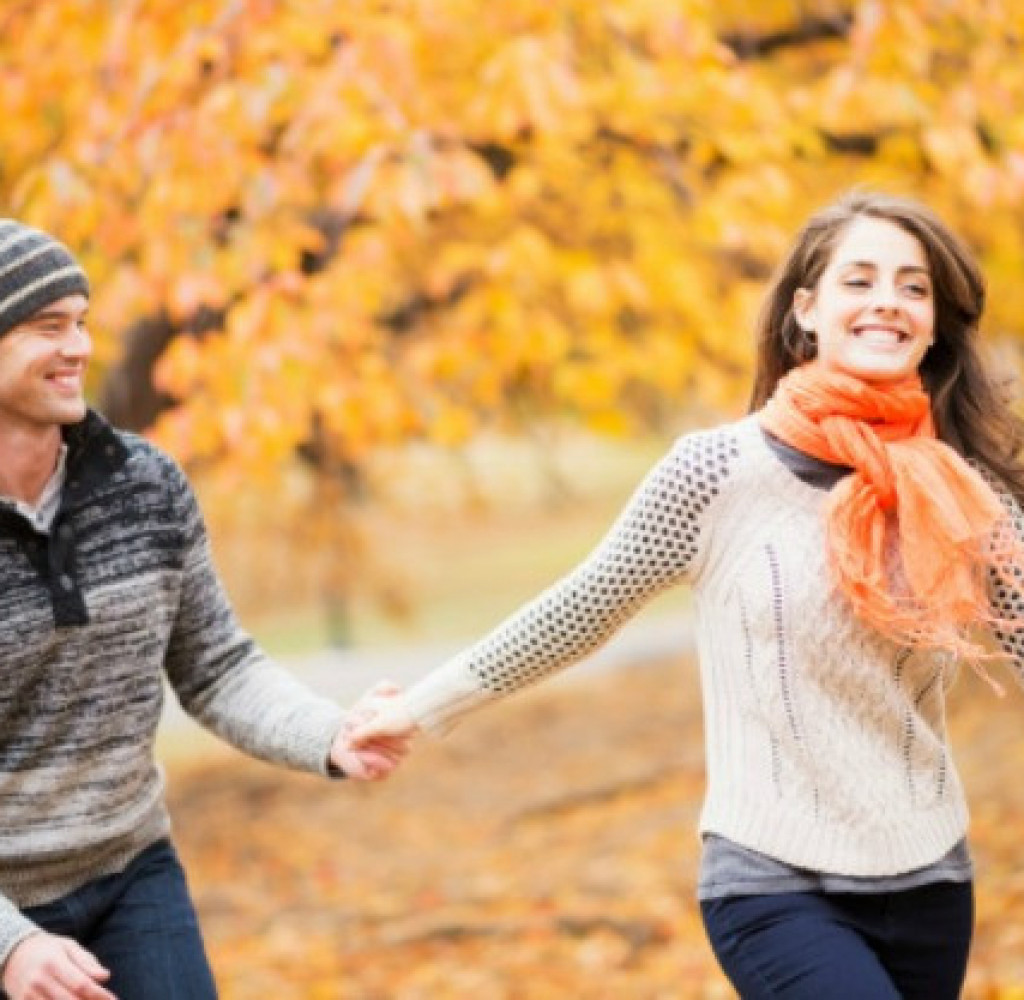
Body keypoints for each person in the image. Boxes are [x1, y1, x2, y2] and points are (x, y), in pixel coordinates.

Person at [348, 190, 1024, 999]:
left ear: (935, 323)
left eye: (913, 287)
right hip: (775, 886)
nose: (888, 301)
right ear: (807, 310)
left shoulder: (962, 491)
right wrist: (419, 708)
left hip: (930, 881)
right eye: (860, 280)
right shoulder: (716, 475)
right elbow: (579, 610)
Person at [0, 219, 403, 1000]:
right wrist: (10, 946)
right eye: (48, 327)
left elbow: (217, 667)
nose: (79, 347)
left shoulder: (144, 486)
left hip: (129, 871)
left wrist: (329, 734)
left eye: (82, 322)